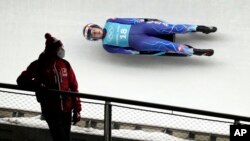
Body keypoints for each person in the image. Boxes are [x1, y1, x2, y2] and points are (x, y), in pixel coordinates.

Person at [16, 33, 82, 141]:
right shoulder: (39, 65)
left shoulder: (65, 64)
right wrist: (38, 85)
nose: (62, 50)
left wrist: (77, 110)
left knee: (65, 138)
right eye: (60, 48)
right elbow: (21, 80)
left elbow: (74, 87)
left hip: (67, 109)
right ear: (54, 50)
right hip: (51, 110)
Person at [83, 18, 217, 57]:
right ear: (94, 38)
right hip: (139, 43)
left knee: (170, 27)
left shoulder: (110, 22)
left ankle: (199, 28)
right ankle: (194, 51)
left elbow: (127, 20)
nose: (96, 33)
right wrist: (134, 52)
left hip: (141, 27)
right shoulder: (107, 46)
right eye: (94, 34)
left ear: (97, 27)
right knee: (166, 46)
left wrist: (141, 21)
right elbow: (122, 51)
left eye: (95, 30)